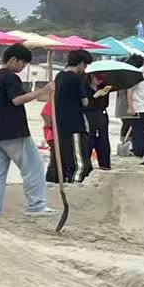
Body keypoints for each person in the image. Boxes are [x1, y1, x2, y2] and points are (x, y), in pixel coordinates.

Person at [0, 43, 51, 219]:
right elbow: (17, 99)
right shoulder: (10, 77)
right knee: (33, 167)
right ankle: (36, 205)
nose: (23, 67)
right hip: (13, 131)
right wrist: (42, 91)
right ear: (13, 60)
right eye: (23, 63)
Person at [44, 49, 93, 185]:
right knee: (80, 161)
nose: (85, 69)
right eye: (85, 65)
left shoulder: (59, 76)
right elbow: (85, 102)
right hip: (74, 124)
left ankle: (63, 181)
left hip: (59, 124)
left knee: (63, 158)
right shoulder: (76, 78)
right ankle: (76, 184)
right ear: (81, 63)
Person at [80, 67, 113, 178]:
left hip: (101, 115)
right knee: (88, 143)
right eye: (98, 78)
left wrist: (101, 95)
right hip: (88, 116)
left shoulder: (104, 86)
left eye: (102, 79)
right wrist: (94, 96)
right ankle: (85, 169)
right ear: (92, 76)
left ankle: (105, 166)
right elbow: (84, 104)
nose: (99, 81)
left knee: (103, 143)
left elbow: (105, 104)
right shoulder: (83, 86)